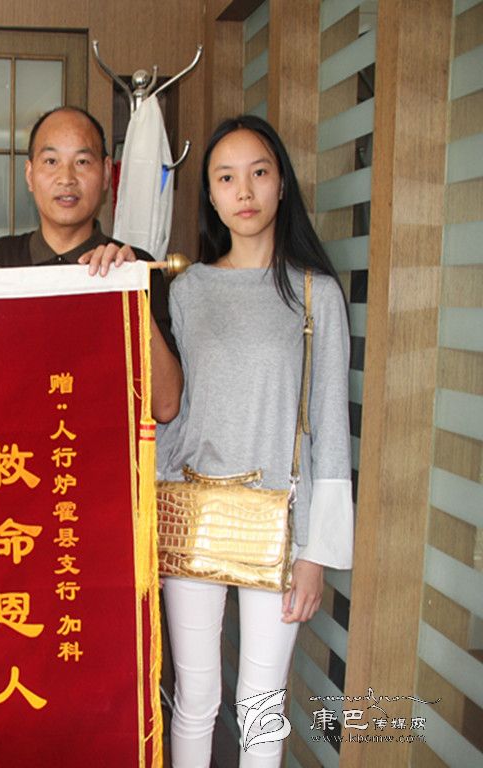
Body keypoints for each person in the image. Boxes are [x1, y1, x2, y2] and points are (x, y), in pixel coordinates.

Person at [160, 115, 353, 767]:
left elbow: (330, 427)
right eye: (225, 177)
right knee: (194, 698)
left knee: (262, 706)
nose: (243, 191)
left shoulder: (314, 293)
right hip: (189, 515)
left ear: (280, 185)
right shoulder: (187, 290)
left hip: (280, 524)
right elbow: (172, 411)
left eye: (258, 173)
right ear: (211, 195)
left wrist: (316, 553)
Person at [0, 106, 181, 422]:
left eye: (82, 162)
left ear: (106, 174)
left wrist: (127, 288)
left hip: (102, 449)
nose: (67, 178)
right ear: (30, 175)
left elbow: (166, 406)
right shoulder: (2, 261)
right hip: (19, 448)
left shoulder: (136, 267)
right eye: (51, 161)